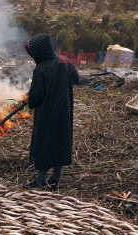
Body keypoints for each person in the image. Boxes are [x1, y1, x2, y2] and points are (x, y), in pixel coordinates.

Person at [24, 34, 79, 189]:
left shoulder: (41, 69)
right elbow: (76, 78)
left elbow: (35, 98)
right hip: (64, 110)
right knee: (60, 141)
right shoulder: (64, 60)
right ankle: (55, 178)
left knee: (44, 143)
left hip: (47, 113)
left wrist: (28, 100)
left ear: (39, 52)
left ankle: (40, 181)